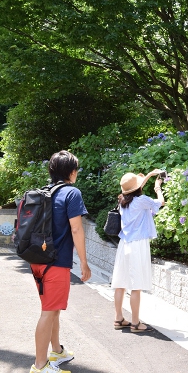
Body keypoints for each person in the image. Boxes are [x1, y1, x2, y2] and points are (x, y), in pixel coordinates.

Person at [30, 150, 91, 373]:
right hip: (56, 262)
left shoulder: (43, 192)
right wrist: (84, 262)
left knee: (51, 307)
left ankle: (56, 350)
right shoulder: (71, 193)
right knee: (49, 311)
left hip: (37, 259)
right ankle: (39, 365)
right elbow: (76, 228)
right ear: (72, 172)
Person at [111, 169, 165, 333]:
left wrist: (148, 175)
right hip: (137, 245)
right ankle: (135, 323)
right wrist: (158, 188)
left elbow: (135, 189)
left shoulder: (122, 200)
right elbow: (160, 202)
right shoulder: (142, 201)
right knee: (136, 285)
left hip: (124, 244)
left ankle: (119, 318)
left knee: (120, 283)